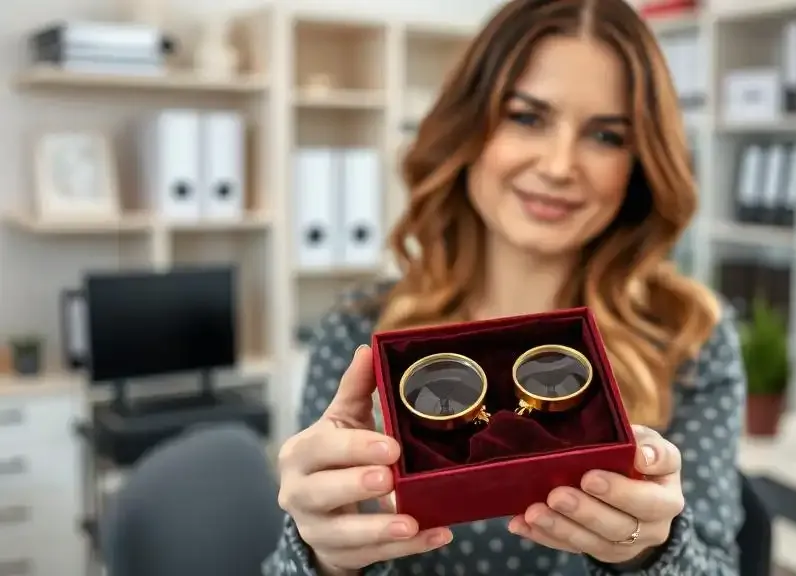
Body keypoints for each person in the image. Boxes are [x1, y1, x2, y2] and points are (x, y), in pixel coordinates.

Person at [264, 0, 747, 574]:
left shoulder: (691, 338)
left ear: (639, 164)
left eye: (606, 136)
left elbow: (718, 566)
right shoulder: (358, 332)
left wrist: (649, 554)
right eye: (527, 117)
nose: (560, 165)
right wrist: (321, 557)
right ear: (470, 128)